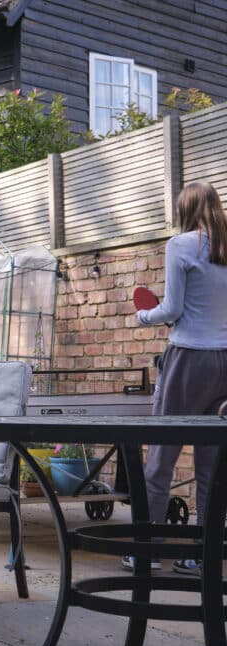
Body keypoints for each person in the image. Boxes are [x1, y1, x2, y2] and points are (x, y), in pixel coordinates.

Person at [125, 180, 227, 575]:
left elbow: (171, 308)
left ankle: (144, 550)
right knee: (211, 465)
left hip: (188, 360)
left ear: (185, 210)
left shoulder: (181, 245)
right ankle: (202, 555)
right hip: (224, 363)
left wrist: (143, 316)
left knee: (161, 459)